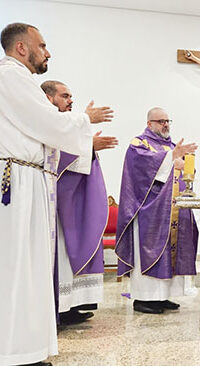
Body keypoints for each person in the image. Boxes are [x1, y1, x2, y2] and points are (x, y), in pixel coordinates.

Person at [0, 22, 113, 366]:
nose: (47, 52)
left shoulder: (18, 79)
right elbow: (48, 123)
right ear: (22, 48)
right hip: (17, 185)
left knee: (29, 268)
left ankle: (28, 347)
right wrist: (84, 119)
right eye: (43, 45)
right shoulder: (11, 76)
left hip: (28, 179)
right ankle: (16, 351)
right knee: (19, 266)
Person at [41, 80, 118, 326]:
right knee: (59, 258)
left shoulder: (67, 125)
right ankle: (60, 308)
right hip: (52, 207)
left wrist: (88, 148)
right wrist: (88, 146)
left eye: (71, 96)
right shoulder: (47, 121)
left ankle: (71, 305)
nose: (70, 100)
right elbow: (51, 155)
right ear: (49, 97)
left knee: (66, 257)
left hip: (68, 205)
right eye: (65, 96)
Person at [115, 107, 199, 314]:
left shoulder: (171, 145)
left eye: (168, 120)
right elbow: (142, 170)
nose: (165, 124)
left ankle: (162, 297)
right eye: (160, 121)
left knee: (171, 252)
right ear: (149, 124)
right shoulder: (139, 144)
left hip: (172, 210)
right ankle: (144, 299)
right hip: (148, 212)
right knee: (150, 251)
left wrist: (186, 164)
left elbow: (182, 171)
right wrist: (172, 159)